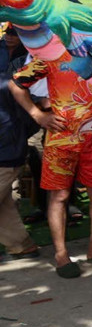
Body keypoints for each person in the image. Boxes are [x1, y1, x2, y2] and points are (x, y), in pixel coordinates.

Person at [10, 52, 92, 277]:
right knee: (59, 196)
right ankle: (61, 255)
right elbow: (16, 84)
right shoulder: (51, 57)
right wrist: (37, 114)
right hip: (60, 140)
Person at [0, 80, 39, 262]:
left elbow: (30, 117)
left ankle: (22, 245)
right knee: (4, 204)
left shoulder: (8, 84)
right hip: (9, 150)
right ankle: (21, 245)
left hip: (7, 153)